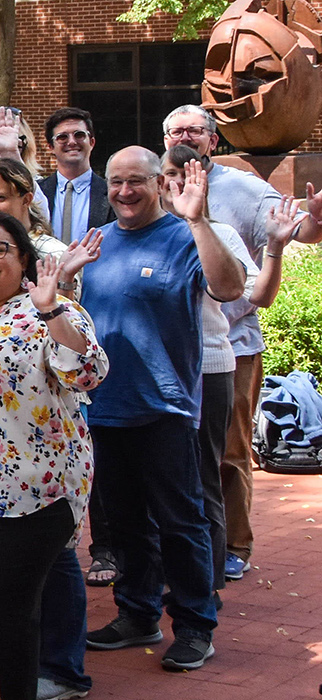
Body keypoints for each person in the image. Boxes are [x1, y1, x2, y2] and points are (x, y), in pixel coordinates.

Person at [0, 211, 107, 700]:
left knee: (11, 608)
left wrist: (51, 311)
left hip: (32, 492)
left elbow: (88, 373)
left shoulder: (51, 311)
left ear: (25, 257)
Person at [80, 146, 243, 671]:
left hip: (165, 412)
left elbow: (230, 286)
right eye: (116, 182)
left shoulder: (183, 236)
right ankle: (137, 613)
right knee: (125, 524)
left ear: (159, 183)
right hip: (104, 409)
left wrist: (196, 220)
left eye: (136, 182)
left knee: (180, 523)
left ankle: (195, 626)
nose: (125, 192)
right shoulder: (97, 243)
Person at [163, 104, 293, 583]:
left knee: (225, 454)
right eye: (177, 132)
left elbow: (256, 289)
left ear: (213, 141)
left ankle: (231, 548)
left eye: (196, 131)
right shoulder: (147, 225)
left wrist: (279, 245)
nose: (187, 139)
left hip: (228, 350)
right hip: (168, 362)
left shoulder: (240, 198)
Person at [40, 108, 113, 243]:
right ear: (50, 147)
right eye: (62, 137)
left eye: (79, 135)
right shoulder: (37, 193)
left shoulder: (112, 193)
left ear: (92, 142)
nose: (72, 142)